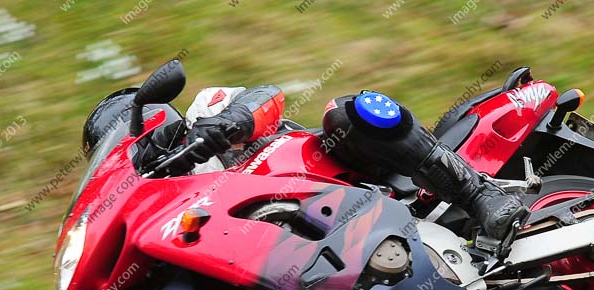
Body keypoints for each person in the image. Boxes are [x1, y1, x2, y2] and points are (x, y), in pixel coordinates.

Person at [148, 85, 529, 247]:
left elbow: (266, 96)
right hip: (302, 248)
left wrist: (227, 125)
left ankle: (478, 194)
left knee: (349, 113)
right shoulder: (168, 210)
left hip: (350, 177)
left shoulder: (205, 111)